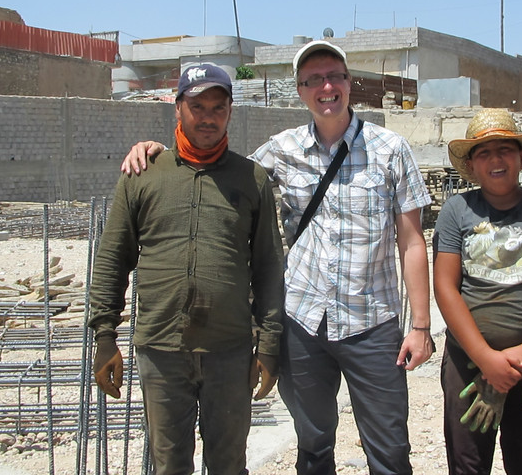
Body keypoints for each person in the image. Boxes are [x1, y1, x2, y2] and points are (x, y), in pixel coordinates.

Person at [120, 40, 434, 475]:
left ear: (349, 83)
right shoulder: (282, 149)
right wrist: (159, 154)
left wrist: (420, 325)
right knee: (314, 443)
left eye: (334, 77)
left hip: (372, 324)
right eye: (314, 80)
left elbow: (412, 241)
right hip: (303, 326)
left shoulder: (391, 149)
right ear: (302, 90)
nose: (326, 87)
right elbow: (216, 173)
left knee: (390, 451)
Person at [89, 64, 285, 475]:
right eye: (197, 105)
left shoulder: (251, 179)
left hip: (229, 352)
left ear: (230, 110)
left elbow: (268, 268)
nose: (208, 116)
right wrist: (104, 337)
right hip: (161, 352)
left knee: (228, 463)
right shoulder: (143, 174)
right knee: (169, 464)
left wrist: (267, 345)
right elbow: (113, 258)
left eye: (218, 106)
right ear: (177, 108)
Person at [433, 108, 522, 475]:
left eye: (505, 149)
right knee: (468, 462)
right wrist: (486, 360)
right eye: (483, 152)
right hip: (468, 363)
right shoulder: (457, 210)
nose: (495, 160)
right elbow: (446, 288)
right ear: (471, 164)